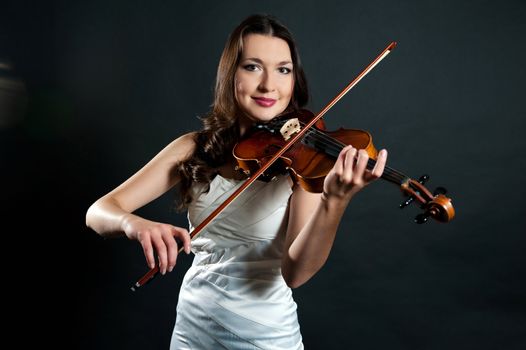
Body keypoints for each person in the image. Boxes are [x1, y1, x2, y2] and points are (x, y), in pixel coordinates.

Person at [86, 13, 388, 349]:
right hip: (192, 330)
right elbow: (98, 212)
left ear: (294, 80)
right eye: (253, 67)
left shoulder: (303, 162)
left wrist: (335, 201)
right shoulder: (193, 147)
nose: (268, 85)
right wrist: (135, 225)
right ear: (231, 75)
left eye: (283, 70)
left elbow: (296, 274)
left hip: (266, 336)